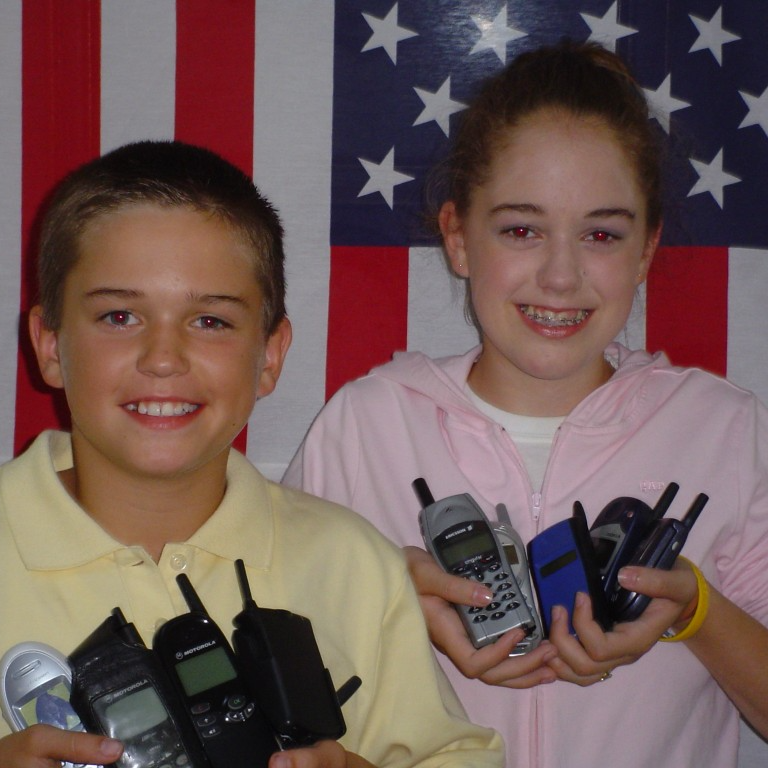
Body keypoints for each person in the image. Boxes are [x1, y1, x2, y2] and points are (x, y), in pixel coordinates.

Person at [283, 41, 768, 768]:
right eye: (521, 229)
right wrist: (386, 600)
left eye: (602, 234)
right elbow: (276, 693)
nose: (562, 275)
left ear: (646, 250)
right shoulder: (365, 426)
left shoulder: (726, 430)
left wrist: (697, 611)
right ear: (458, 238)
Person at [0, 140, 504, 768]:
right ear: (49, 344)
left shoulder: (351, 564)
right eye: (120, 315)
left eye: (210, 321)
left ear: (269, 354)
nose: (163, 357)